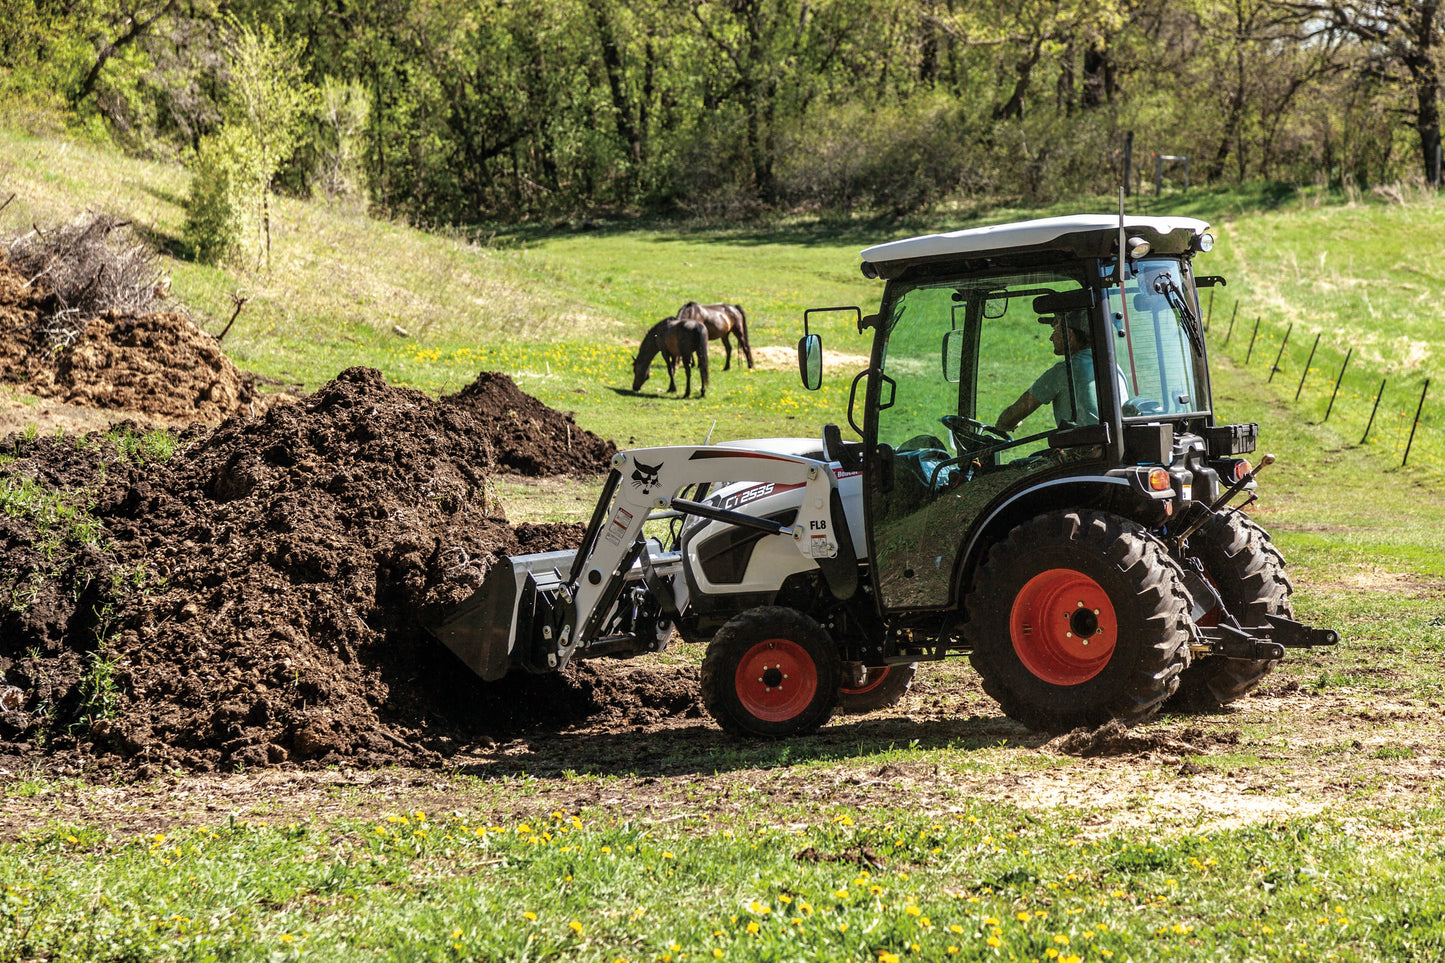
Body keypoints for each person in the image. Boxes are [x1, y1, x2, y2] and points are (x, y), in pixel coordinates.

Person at [996, 307, 1107, 433]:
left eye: (1056, 331)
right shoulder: (1110, 367)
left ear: (1069, 335)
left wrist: (1006, 422)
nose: (1051, 338)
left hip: (1082, 450)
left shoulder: (1064, 371)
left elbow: (1012, 416)